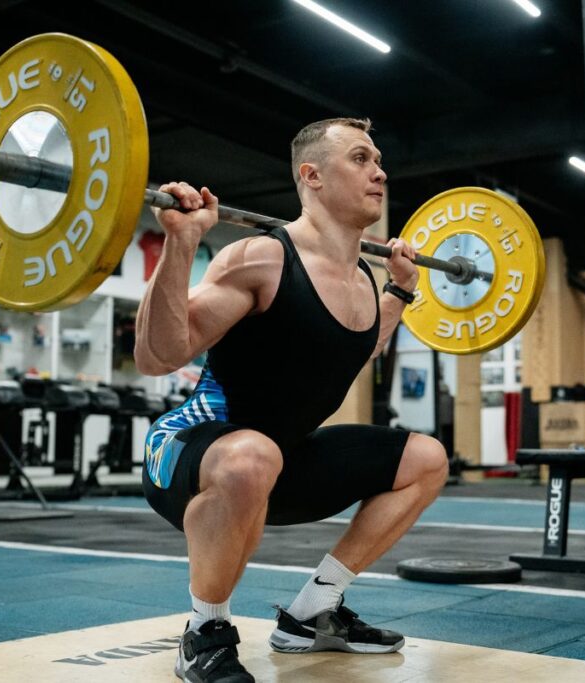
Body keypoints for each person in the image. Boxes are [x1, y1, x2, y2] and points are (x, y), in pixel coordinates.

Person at [135, 117, 449, 683]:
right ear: (313, 176)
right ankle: (204, 632)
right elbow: (158, 357)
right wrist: (181, 244)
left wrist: (401, 289)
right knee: (253, 454)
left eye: (378, 161)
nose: (379, 171)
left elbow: (351, 346)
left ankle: (312, 613)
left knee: (425, 458)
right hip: (189, 452)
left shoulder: (363, 281)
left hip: (278, 460)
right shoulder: (260, 258)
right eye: (359, 158)